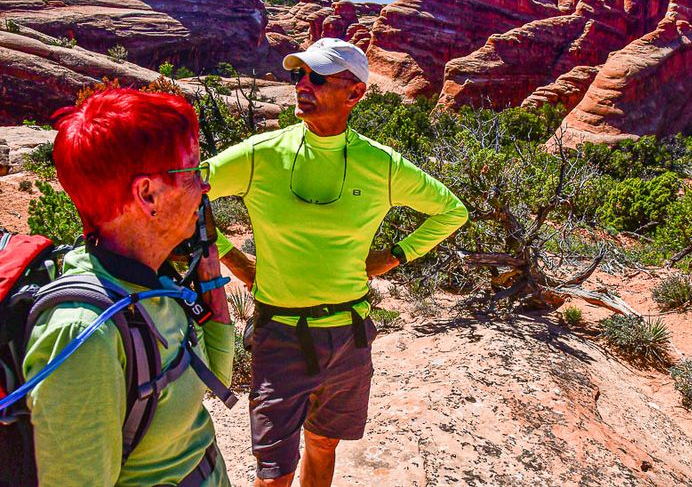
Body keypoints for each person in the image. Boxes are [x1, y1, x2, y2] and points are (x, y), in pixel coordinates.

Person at [206, 38, 469, 486]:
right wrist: (234, 258)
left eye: (318, 77)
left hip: (348, 334)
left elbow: (452, 211)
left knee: (324, 443)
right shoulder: (260, 154)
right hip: (280, 334)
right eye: (298, 75)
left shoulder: (380, 164)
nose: (302, 85)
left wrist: (396, 255)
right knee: (274, 472)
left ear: (356, 93)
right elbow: (187, 193)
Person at [23, 89, 235, 486]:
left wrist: (207, 265)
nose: (204, 187)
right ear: (147, 194)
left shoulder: (153, 279)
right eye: (191, 173)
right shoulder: (85, 336)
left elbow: (216, 379)